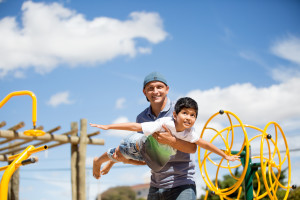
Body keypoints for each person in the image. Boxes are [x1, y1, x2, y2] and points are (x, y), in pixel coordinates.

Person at [91, 97, 239, 180]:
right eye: (185, 113)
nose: (189, 117)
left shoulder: (189, 133)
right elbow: (136, 127)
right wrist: (109, 127)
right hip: (135, 143)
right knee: (120, 151)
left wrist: (225, 155)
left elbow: (205, 144)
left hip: (150, 154)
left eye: (192, 115)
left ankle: (113, 161)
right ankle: (99, 161)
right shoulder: (164, 123)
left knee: (145, 163)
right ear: (175, 115)